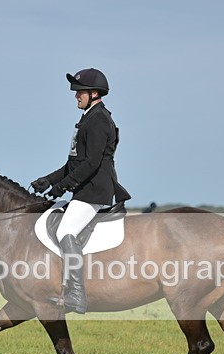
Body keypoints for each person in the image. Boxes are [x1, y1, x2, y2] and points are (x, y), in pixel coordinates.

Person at [31, 68, 131, 314]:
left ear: (94, 93)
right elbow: (73, 164)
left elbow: (92, 163)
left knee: (66, 230)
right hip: (86, 188)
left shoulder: (98, 119)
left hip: (95, 190)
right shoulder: (88, 117)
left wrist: (62, 186)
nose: (75, 96)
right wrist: (49, 180)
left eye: (80, 92)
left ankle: (77, 293)